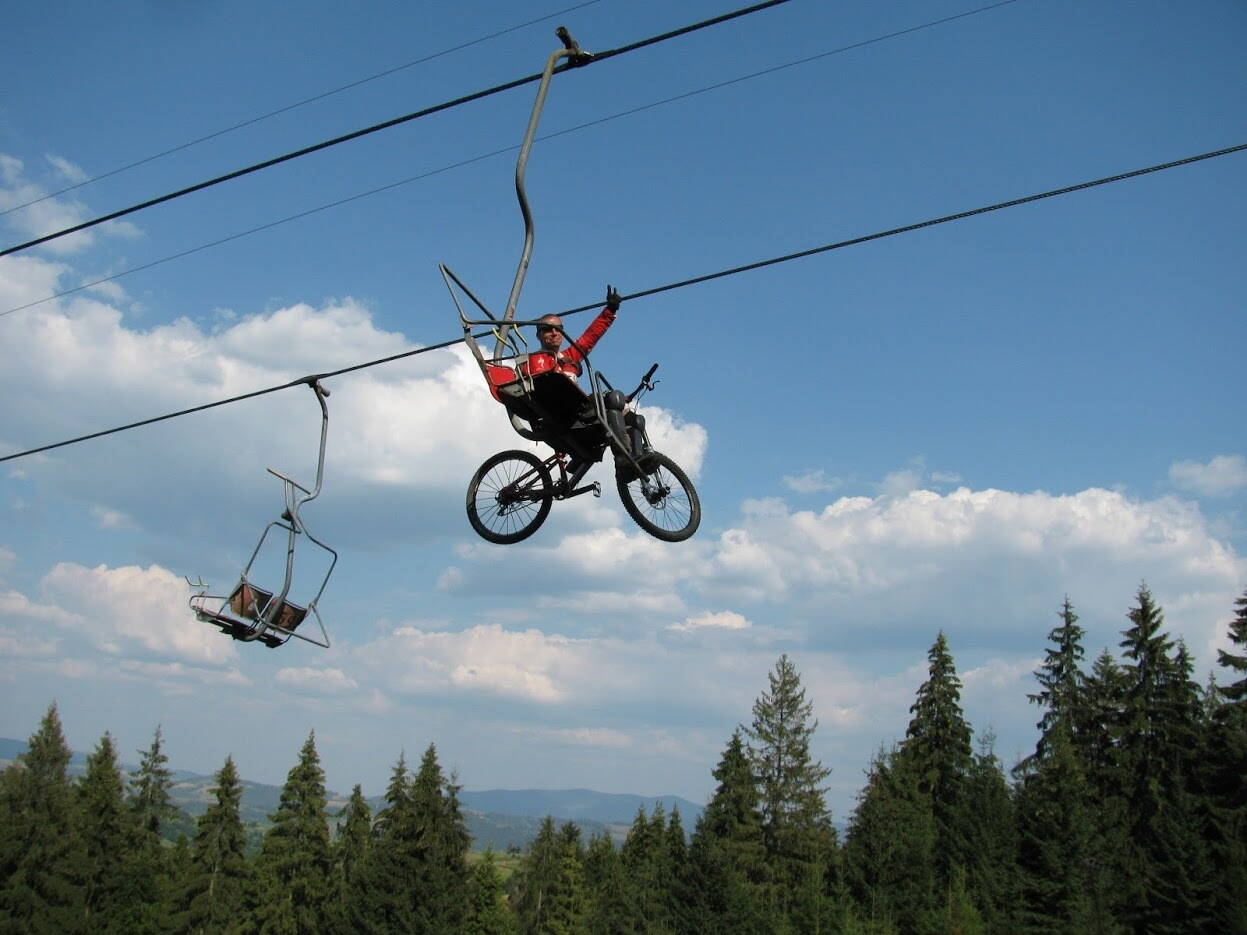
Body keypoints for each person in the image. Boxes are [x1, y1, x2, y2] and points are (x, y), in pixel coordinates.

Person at [533, 284, 621, 381]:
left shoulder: (569, 357)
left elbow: (589, 338)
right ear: (538, 335)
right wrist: (570, 368)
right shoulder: (530, 361)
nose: (554, 333)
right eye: (548, 329)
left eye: (558, 329)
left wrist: (610, 311)